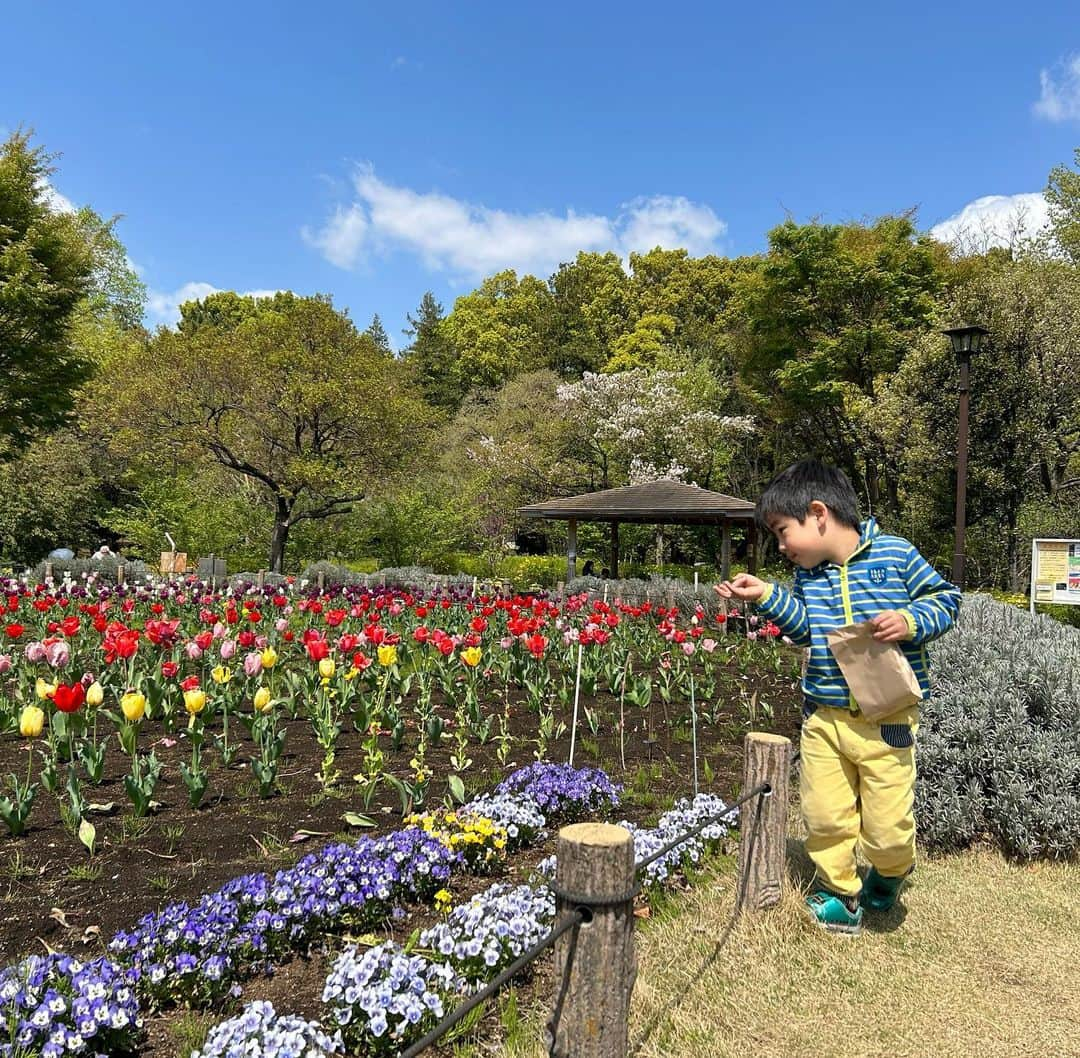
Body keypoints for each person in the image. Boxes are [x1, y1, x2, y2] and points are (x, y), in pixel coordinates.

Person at [716, 460, 959, 935]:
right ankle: (841, 894)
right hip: (824, 717)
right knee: (824, 817)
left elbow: (947, 600)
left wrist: (910, 621)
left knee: (887, 830)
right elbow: (806, 628)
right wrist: (766, 594)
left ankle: (889, 873)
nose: (782, 546)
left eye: (784, 533)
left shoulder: (896, 555)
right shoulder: (811, 577)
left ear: (819, 513)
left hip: (887, 718)